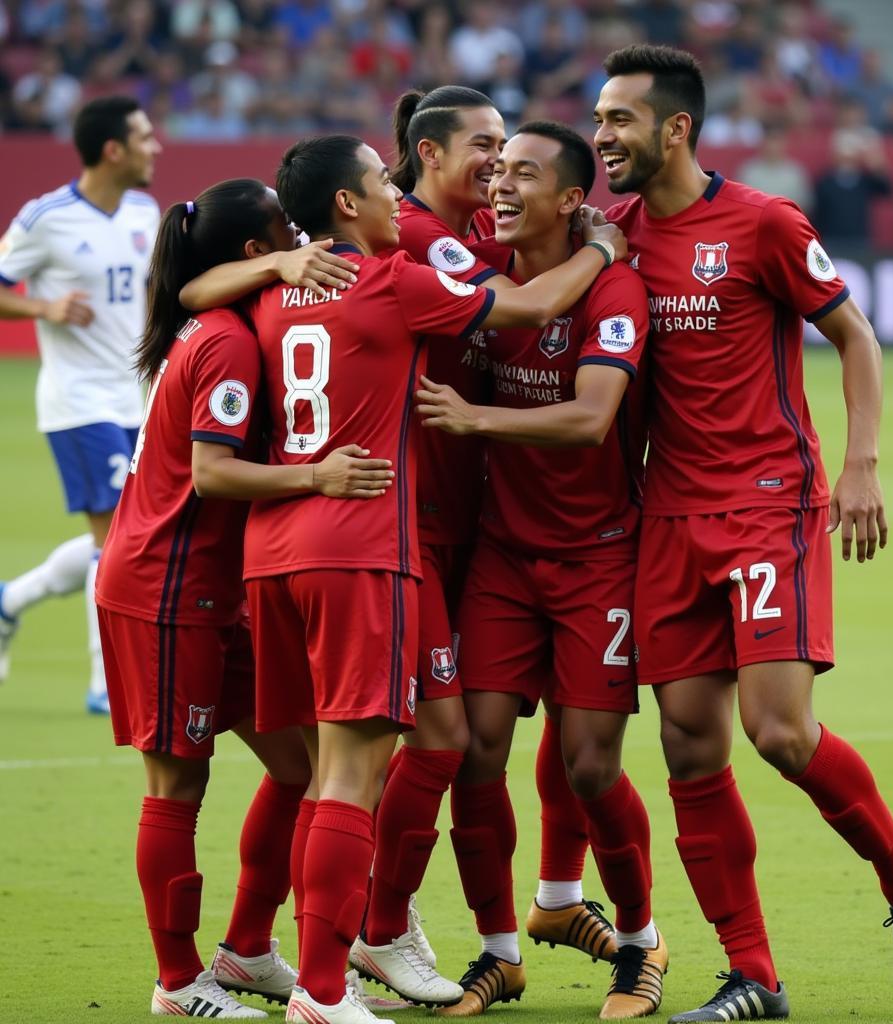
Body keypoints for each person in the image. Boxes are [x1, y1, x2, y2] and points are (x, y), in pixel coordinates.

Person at [192, 133, 626, 1024]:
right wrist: (601, 249)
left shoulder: (278, 285)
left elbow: (195, 293)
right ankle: (321, 989)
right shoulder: (388, 280)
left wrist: (278, 258)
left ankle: (278, 956)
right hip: (359, 545)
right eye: (378, 184)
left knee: (326, 774)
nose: (396, 196)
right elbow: (528, 303)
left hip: (275, 553)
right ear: (347, 206)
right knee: (351, 777)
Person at [593, 44, 893, 1020]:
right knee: (688, 747)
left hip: (764, 504)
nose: (601, 135)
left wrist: (860, 461)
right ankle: (753, 974)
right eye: (596, 117)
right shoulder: (612, 234)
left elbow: (855, 336)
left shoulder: (762, 223)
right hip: (666, 514)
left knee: (780, 732)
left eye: (618, 118)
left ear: (674, 127)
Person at [347, 86, 620, 1007]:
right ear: (428, 155)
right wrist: (602, 250)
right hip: (412, 523)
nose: (497, 167)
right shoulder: (429, 241)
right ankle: (375, 926)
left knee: (501, 734)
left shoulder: (459, 234)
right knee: (437, 741)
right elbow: (520, 303)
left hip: (478, 526)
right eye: (485, 148)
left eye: (511, 153)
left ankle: (532, 908)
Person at [95, 178, 395, 1018]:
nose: (305, 237)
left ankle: (248, 950)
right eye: (286, 231)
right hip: (164, 583)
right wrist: (318, 475)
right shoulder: (225, 340)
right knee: (176, 786)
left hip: (216, 588)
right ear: (258, 254)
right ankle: (177, 981)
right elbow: (214, 474)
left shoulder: (221, 312)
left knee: (298, 768)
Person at [414, 121, 666, 1021]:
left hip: (599, 560)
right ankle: (499, 954)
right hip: (502, 560)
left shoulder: (619, 291)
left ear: (571, 199)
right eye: (498, 170)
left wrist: (473, 420)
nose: (502, 185)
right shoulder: (479, 269)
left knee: (591, 767)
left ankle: (640, 944)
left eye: (525, 173)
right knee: (475, 753)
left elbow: (593, 418)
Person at [0, 96, 161, 711]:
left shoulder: (145, 211)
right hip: (79, 400)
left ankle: (11, 601)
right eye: (146, 137)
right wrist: (44, 307)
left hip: (137, 399)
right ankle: (106, 684)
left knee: (127, 532)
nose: (157, 147)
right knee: (120, 532)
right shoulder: (47, 219)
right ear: (114, 150)